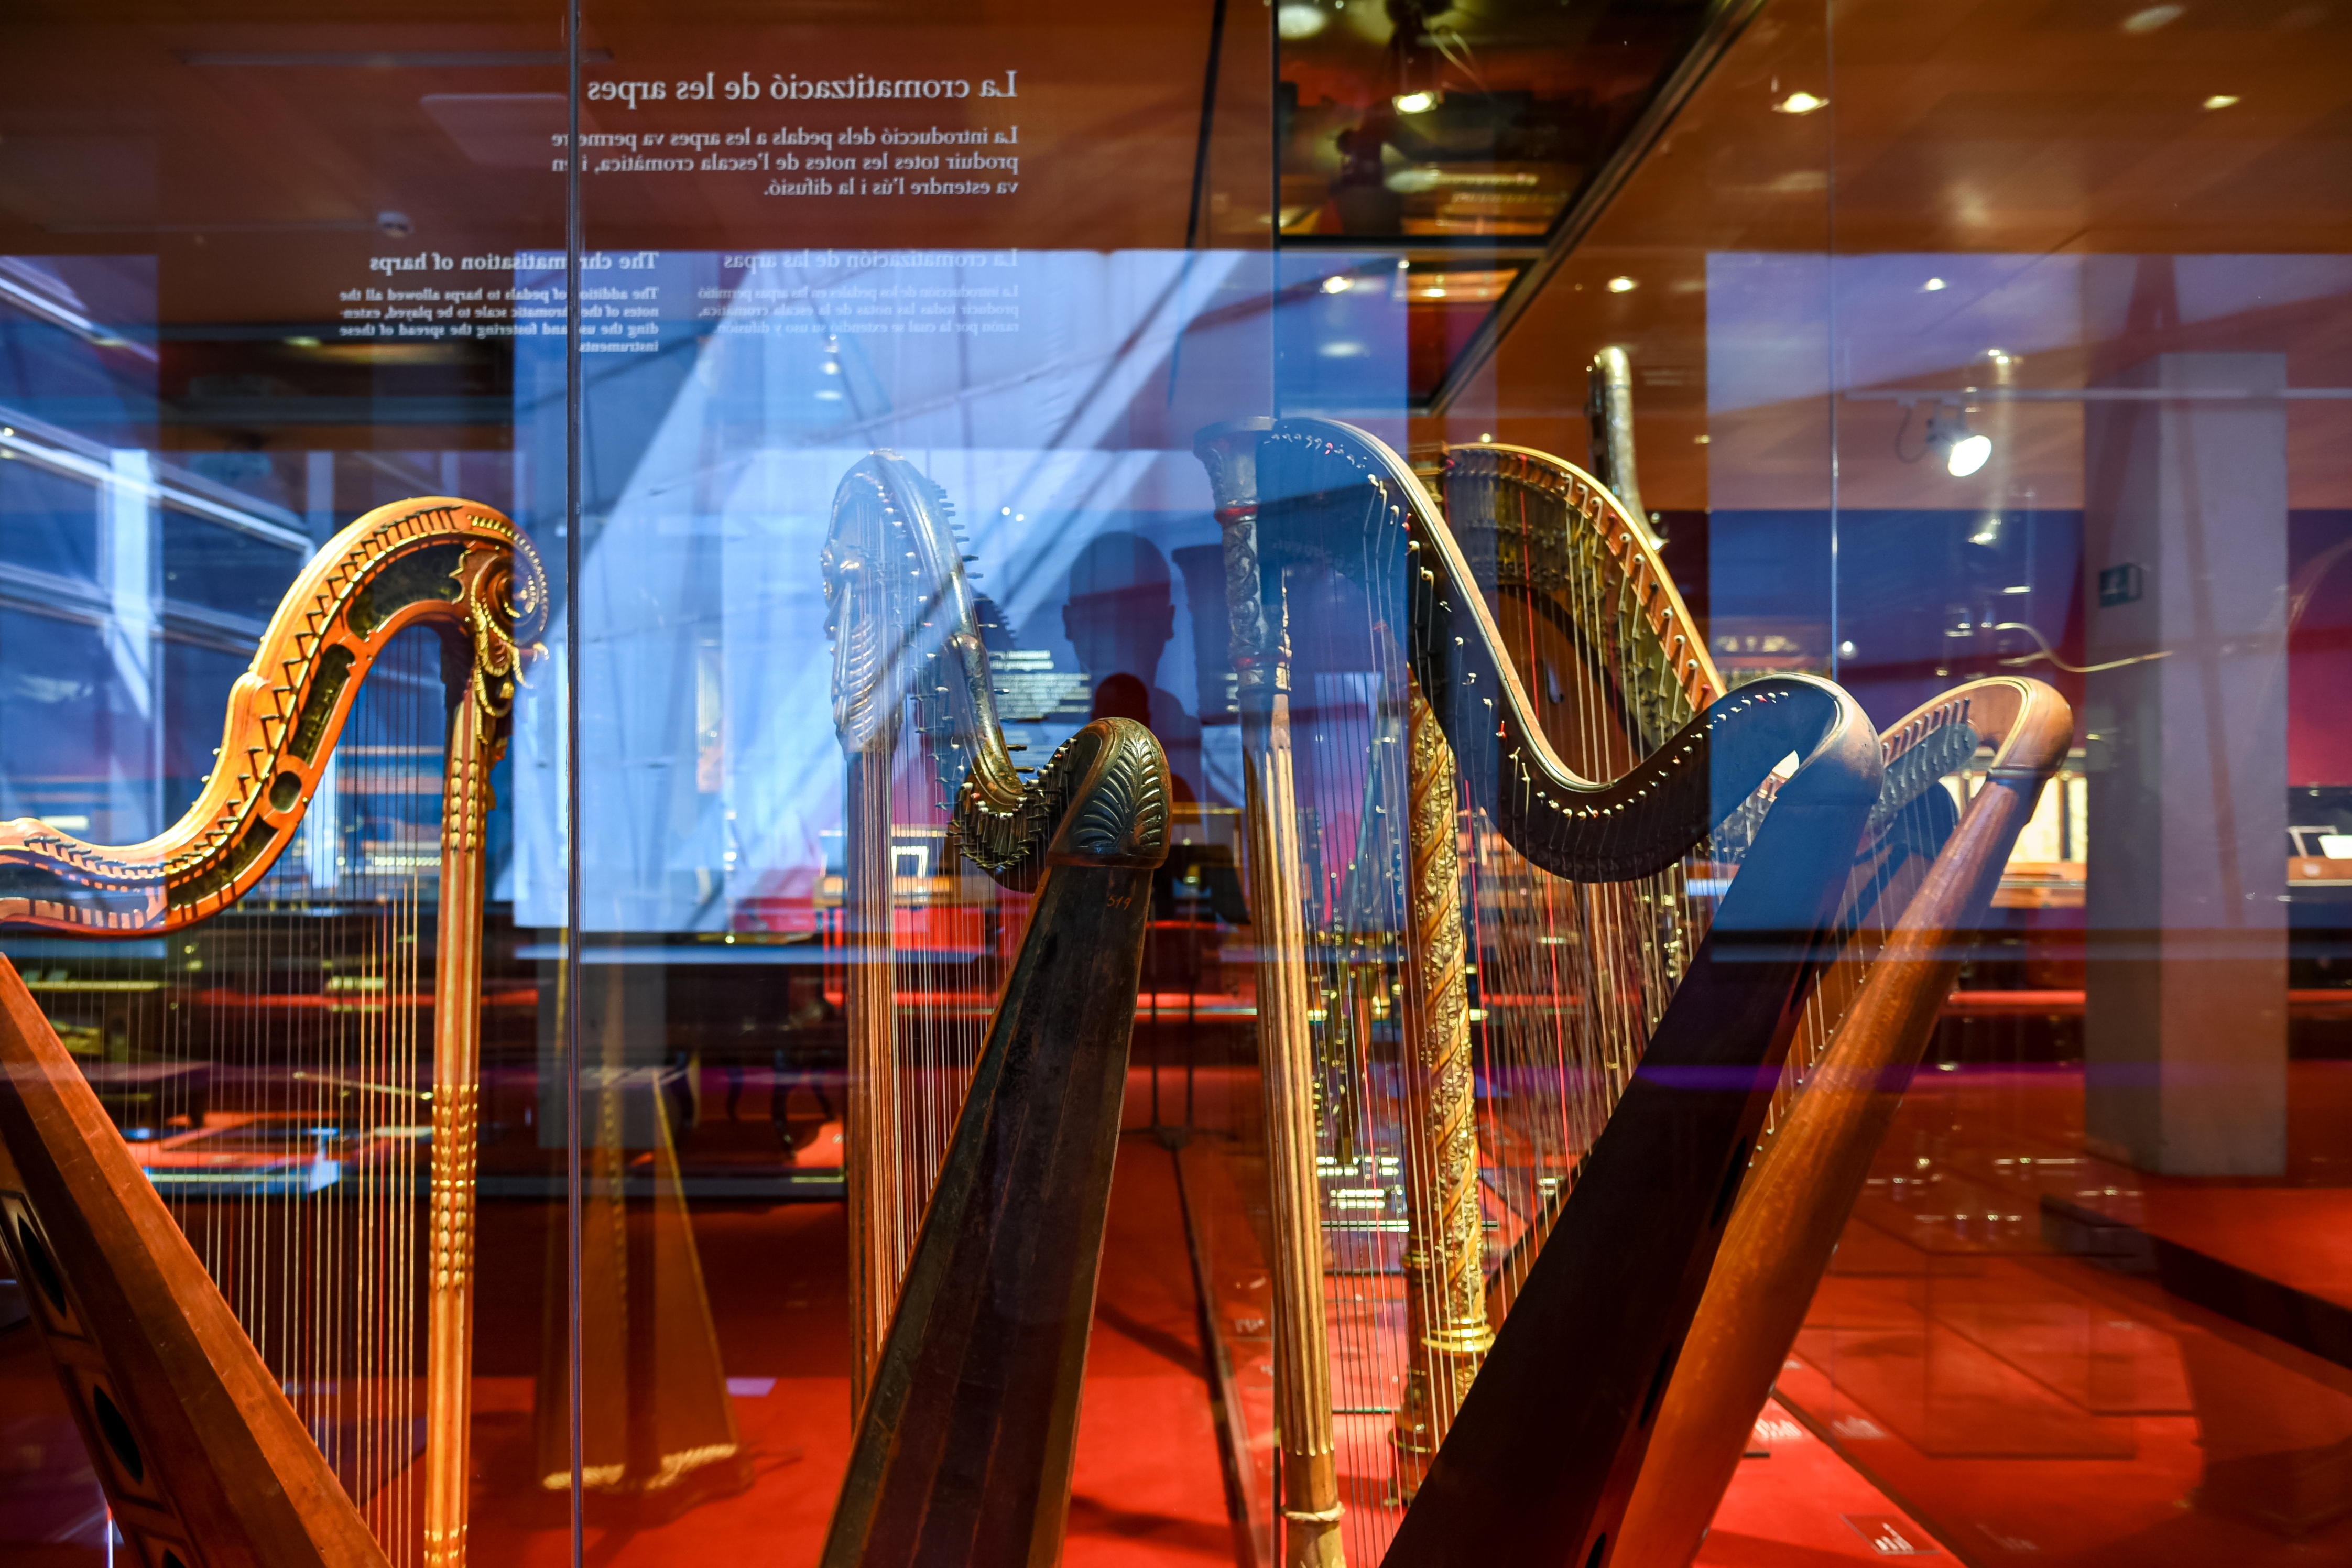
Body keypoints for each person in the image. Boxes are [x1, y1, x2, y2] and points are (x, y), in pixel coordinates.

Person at [1061, 531, 1206, 803]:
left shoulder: (1194, 743)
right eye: (1098, 611)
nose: (1116, 631)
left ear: (1167, 620)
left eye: (1135, 612)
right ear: (1070, 622)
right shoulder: (1046, 737)